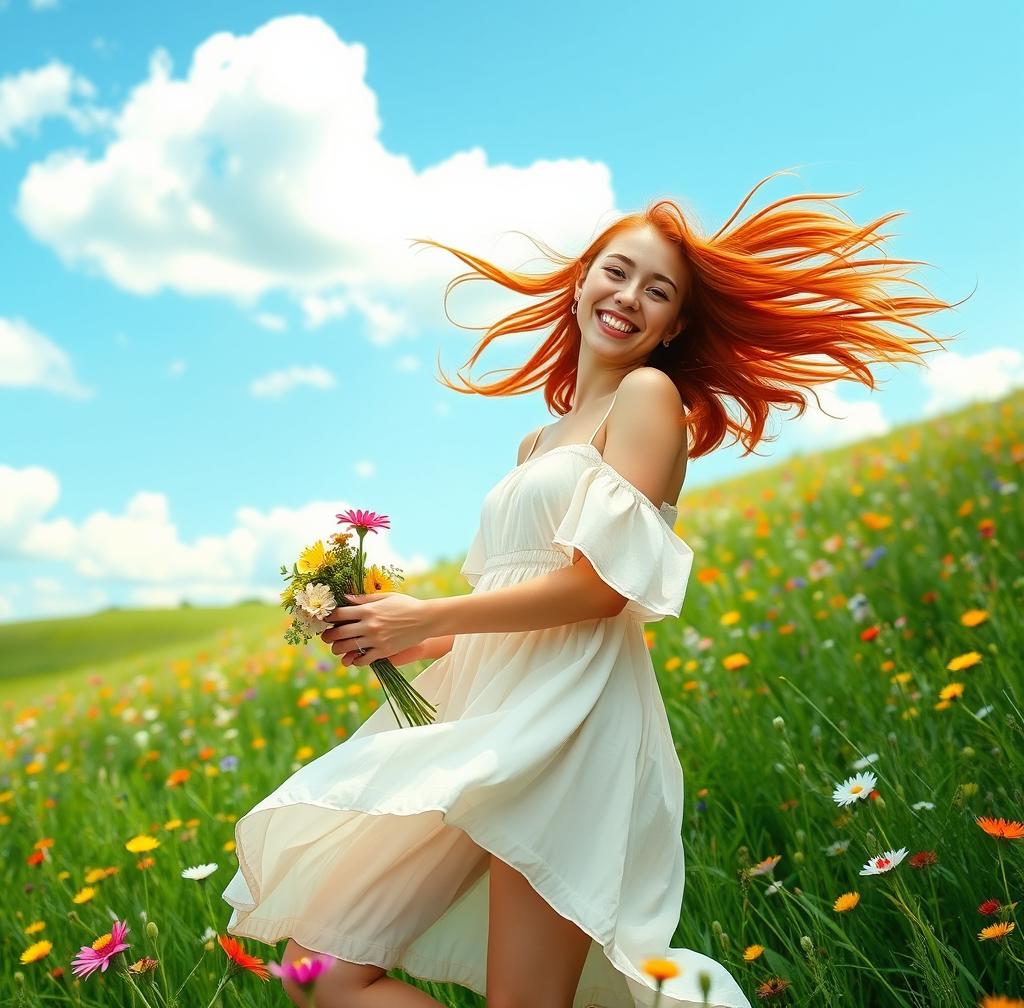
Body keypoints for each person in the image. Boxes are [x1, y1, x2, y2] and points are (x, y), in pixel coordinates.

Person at [221, 170, 962, 1008]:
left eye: (658, 291)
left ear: (675, 324)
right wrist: (390, 631)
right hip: (487, 717)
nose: (629, 296)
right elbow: (512, 602)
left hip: (572, 726)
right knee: (322, 971)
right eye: (617, 271)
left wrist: (429, 612)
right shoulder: (539, 441)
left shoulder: (650, 399)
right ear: (581, 280)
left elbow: (600, 590)